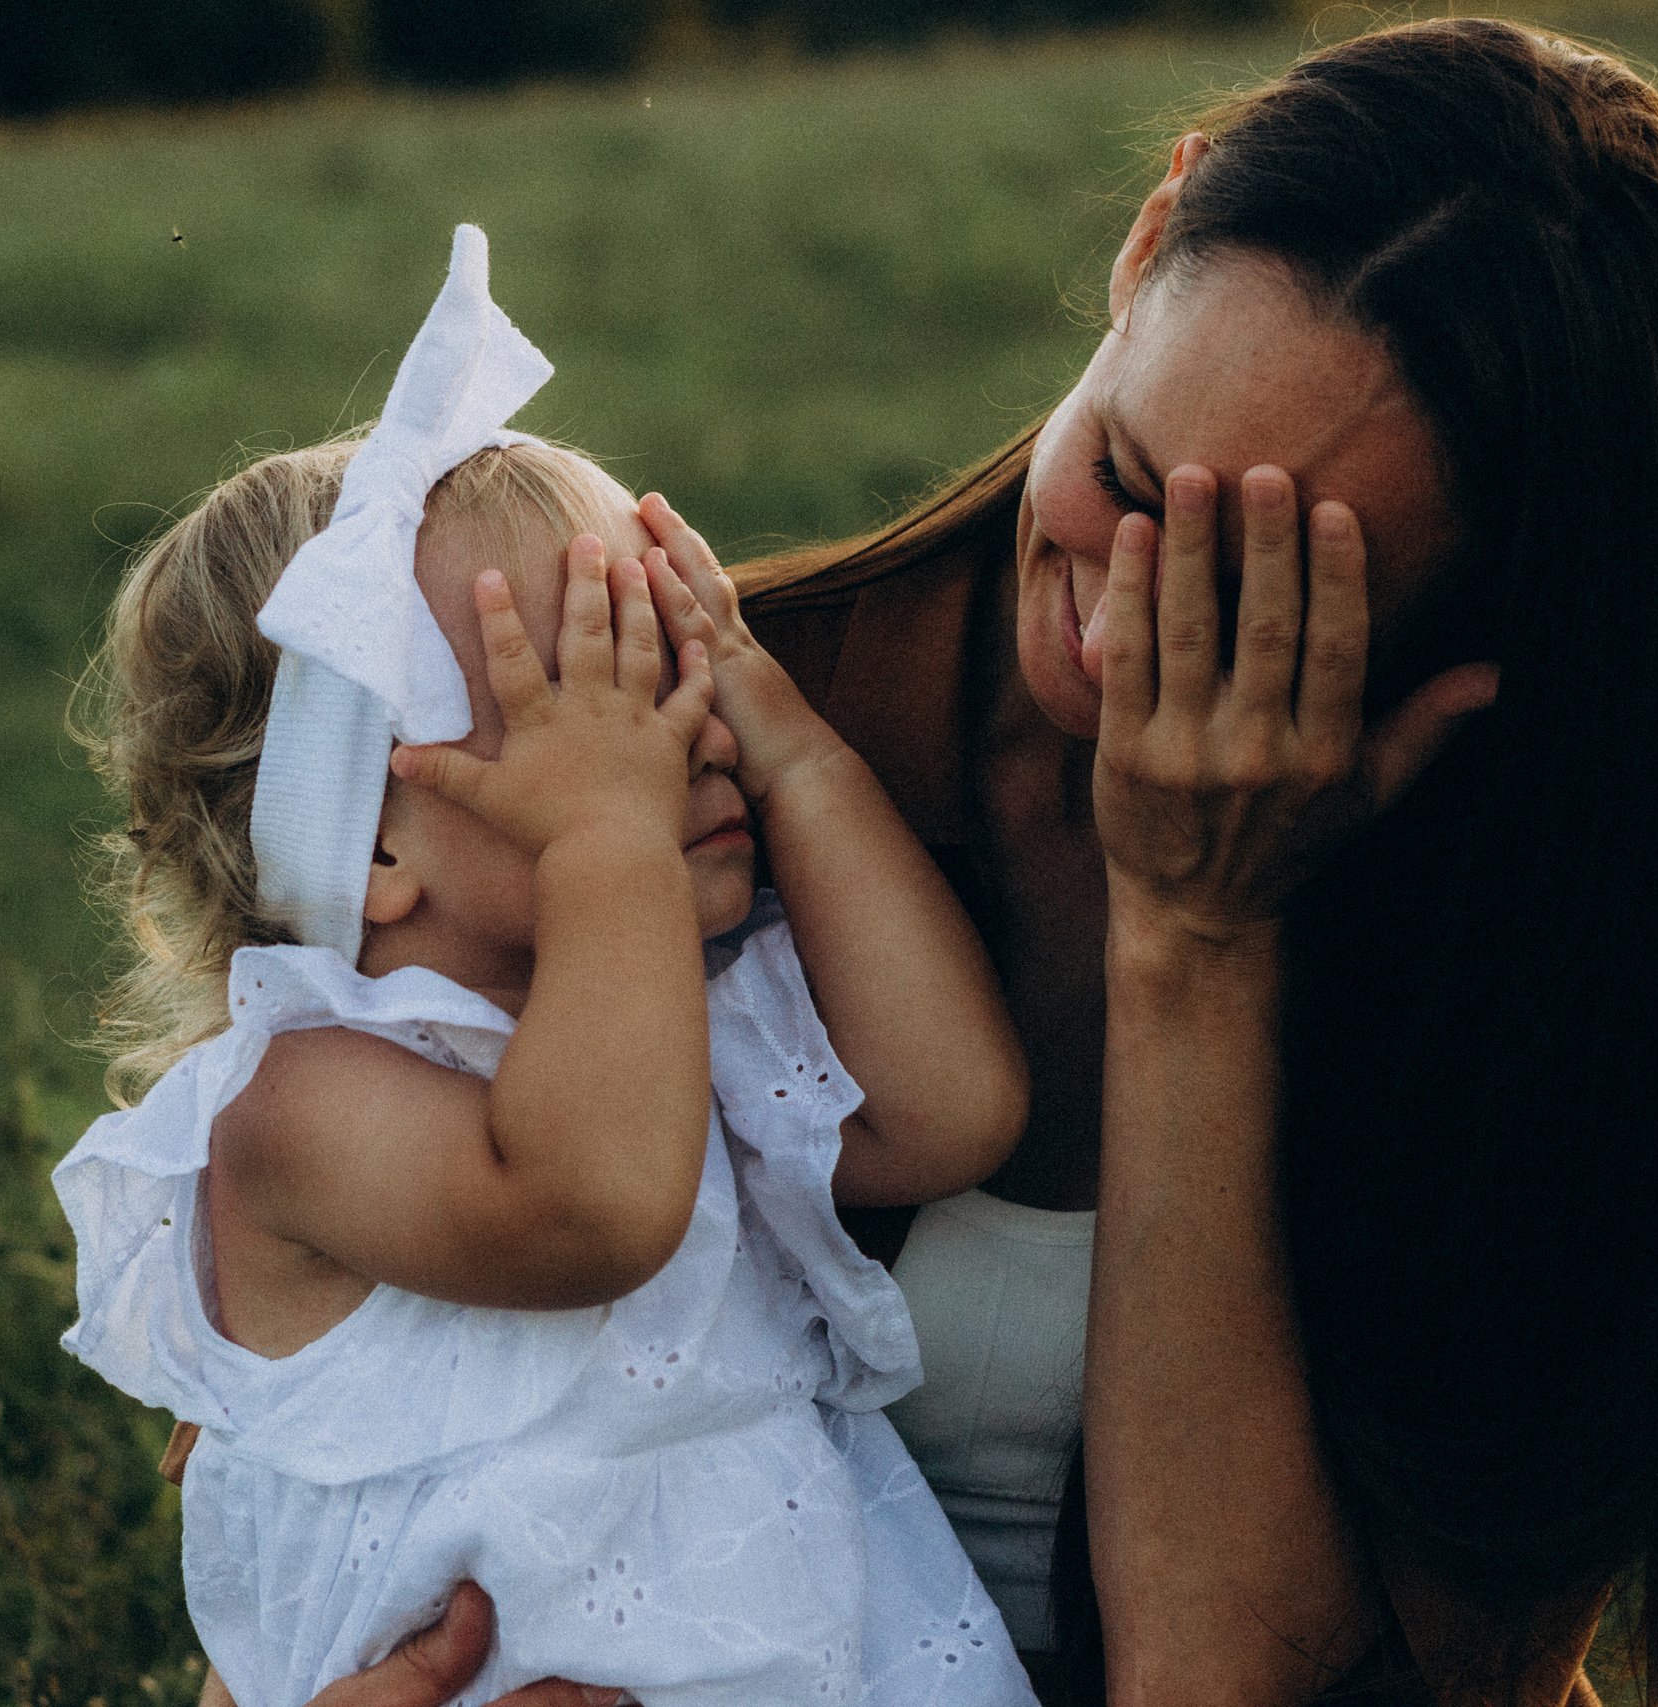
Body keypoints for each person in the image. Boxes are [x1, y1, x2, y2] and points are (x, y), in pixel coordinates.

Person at [294, 18, 1658, 1707]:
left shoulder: (1589, 997)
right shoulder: (715, 751)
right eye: (1123, 478)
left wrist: (1198, 938)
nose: (1117, 635)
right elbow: (312, 1411)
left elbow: (1225, 1681)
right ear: (1142, 244)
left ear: (1500, 634)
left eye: (1249, 605)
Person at [57, 228, 1041, 1705]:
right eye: (606, 694)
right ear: (377, 847)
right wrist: (612, 849)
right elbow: (591, 1206)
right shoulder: (296, 1106)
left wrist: (786, 736)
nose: (684, 730)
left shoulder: (668, 1015)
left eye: (682, 662)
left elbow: (952, 1108)